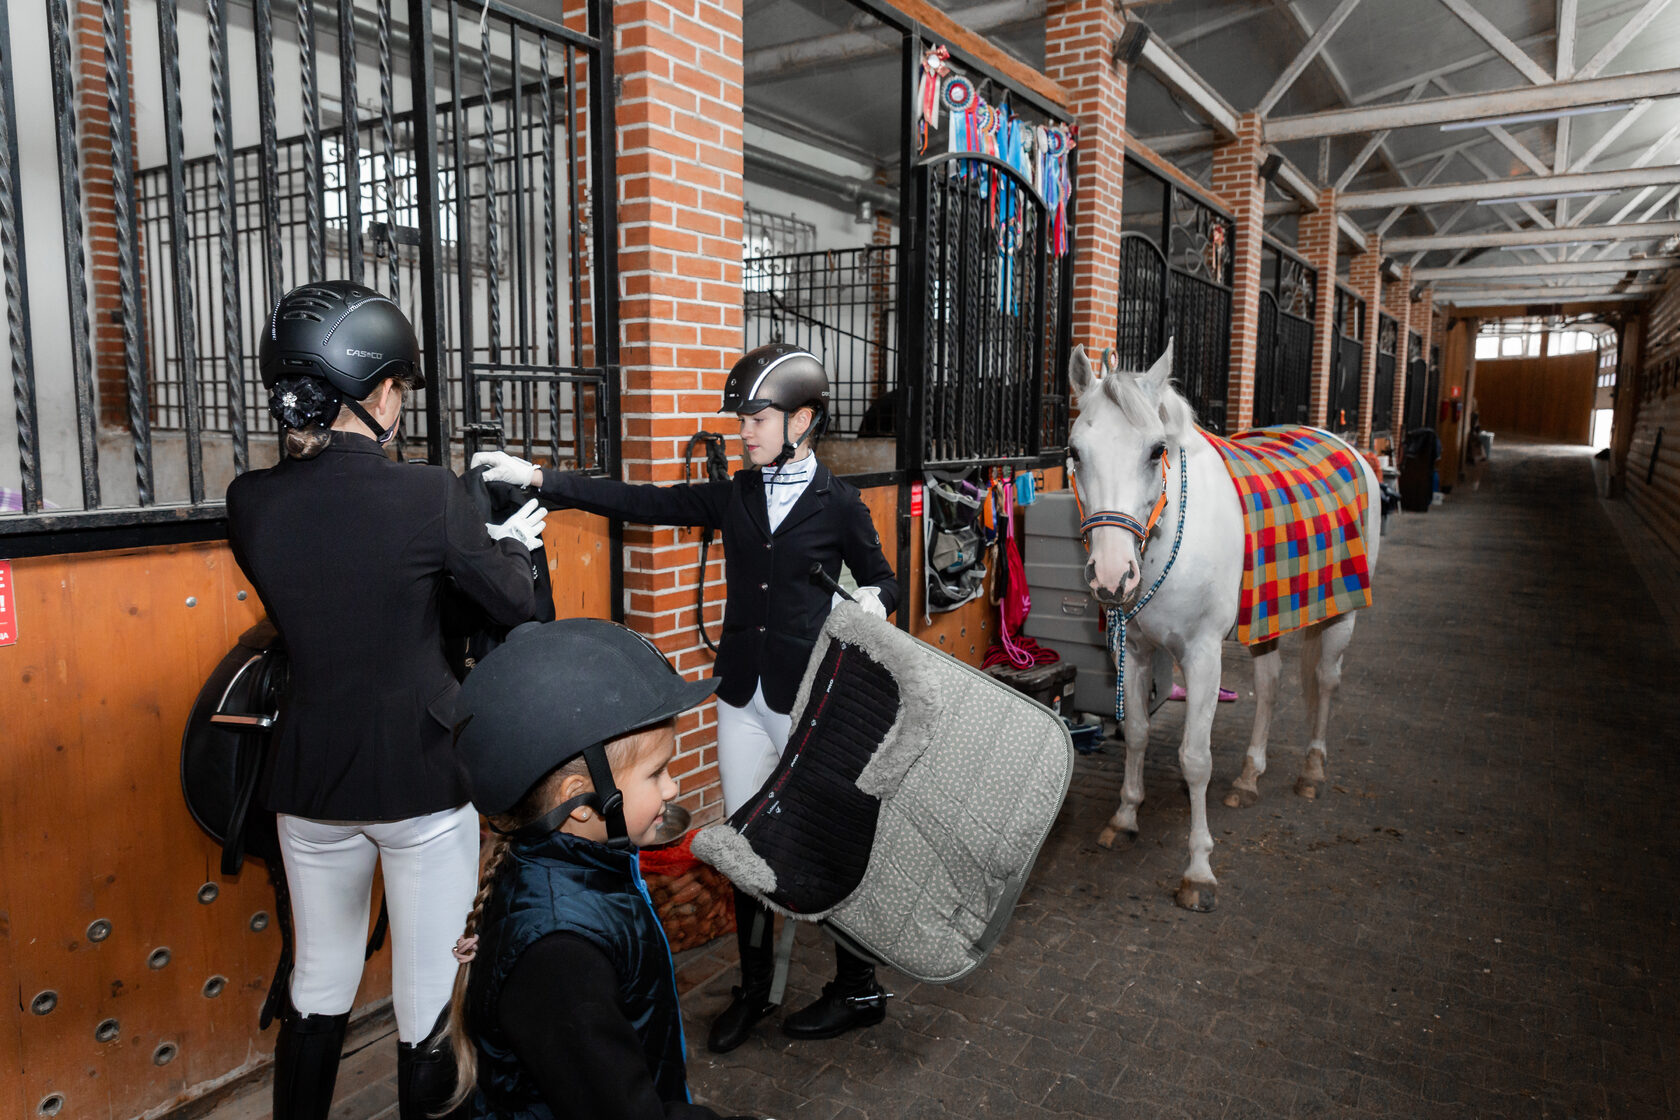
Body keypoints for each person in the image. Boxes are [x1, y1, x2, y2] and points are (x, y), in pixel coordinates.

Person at [471, 343, 900, 1051]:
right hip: (742, 697)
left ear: (803, 420)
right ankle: (756, 989)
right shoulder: (736, 493)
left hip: (806, 703)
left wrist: (875, 606)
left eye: (757, 418)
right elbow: (647, 501)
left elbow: (883, 577)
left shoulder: (841, 504)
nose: (744, 430)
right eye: (742, 420)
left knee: (825, 836)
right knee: (740, 846)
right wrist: (540, 478)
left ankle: (857, 986)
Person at [226, 280, 548, 1120]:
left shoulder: (247, 502)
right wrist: (509, 543)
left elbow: (336, 591)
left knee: (318, 982)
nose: (401, 405)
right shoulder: (427, 494)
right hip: (419, 780)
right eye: (399, 387)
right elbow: (512, 605)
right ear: (371, 389)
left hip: (308, 779)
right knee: (427, 994)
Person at [441, 618, 757, 1119]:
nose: (672, 788)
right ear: (582, 802)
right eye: (657, 773)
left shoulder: (584, 872)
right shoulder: (559, 954)